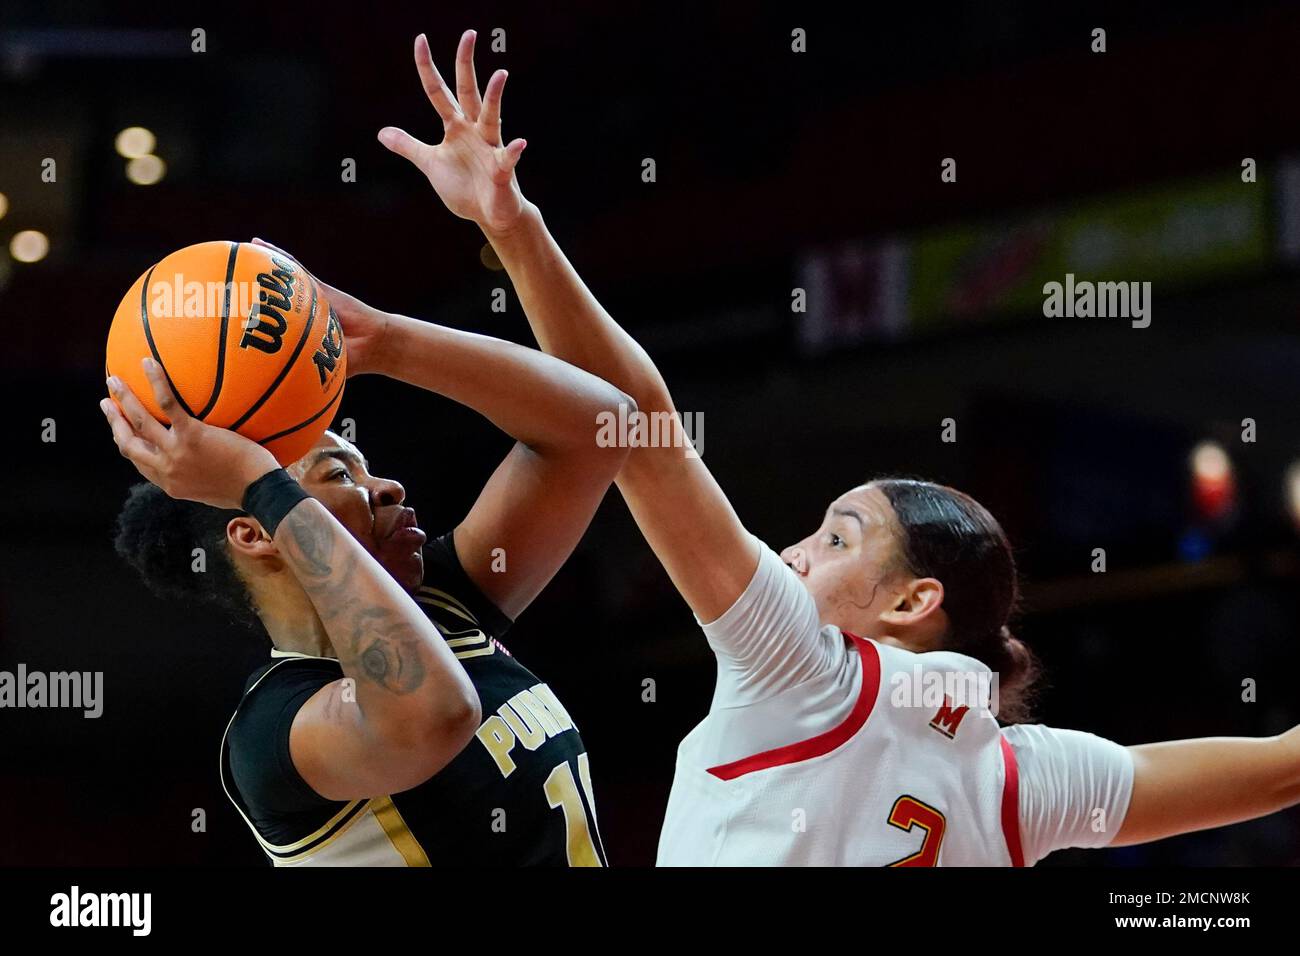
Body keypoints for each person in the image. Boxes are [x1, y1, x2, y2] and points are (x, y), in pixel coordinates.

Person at [376, 28, 1300, 865]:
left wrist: (512, 231)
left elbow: (641, 427)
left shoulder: (803, 663)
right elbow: (1275, 772)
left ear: (912, 600)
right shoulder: (1023, 780)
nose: (793, 552)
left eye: (836, 538)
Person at [104, 209, 632, 864]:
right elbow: (434, 712)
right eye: (338, 472)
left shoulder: (441, 601)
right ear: (255, 533)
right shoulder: (275, 729)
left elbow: (601, 426)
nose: (389, 488)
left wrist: (385, 343)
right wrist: (257, 481)